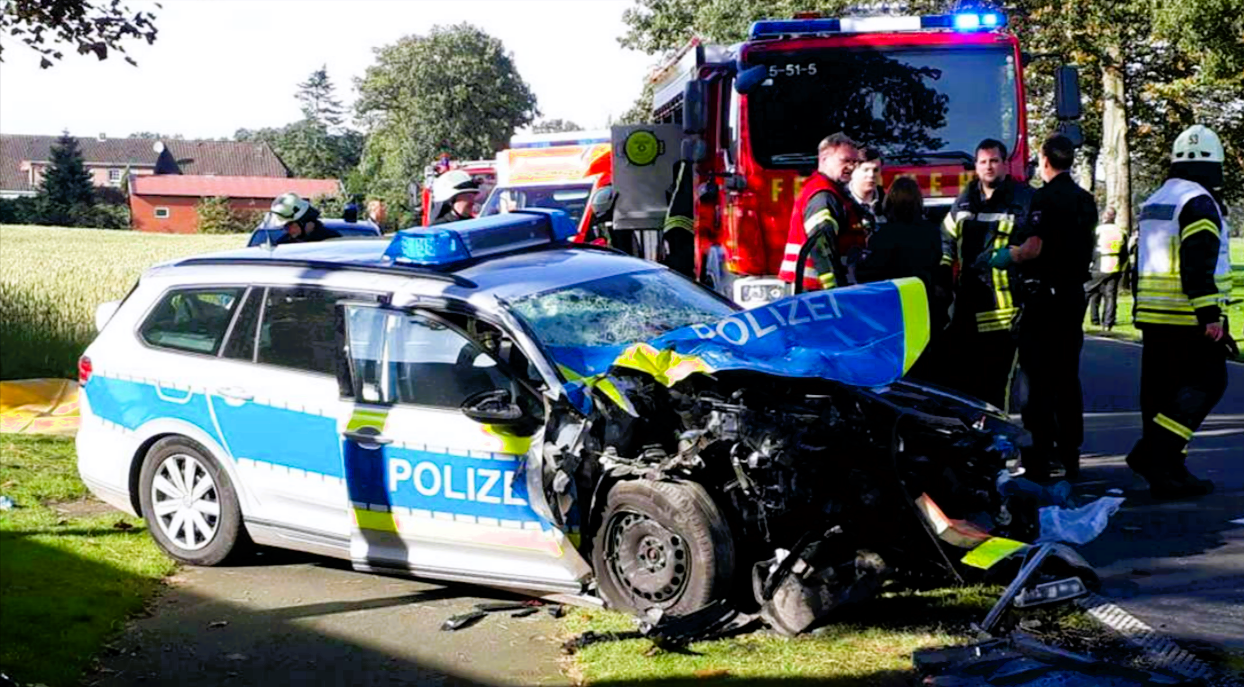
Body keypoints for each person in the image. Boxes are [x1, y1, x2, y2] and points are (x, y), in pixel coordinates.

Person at [1125, 124, 1235, 499]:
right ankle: (1154, 455)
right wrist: (1209, 314)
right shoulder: (1199, 202)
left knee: (1161, 396)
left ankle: (1169, 472)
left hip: (1154, 315)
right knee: (1208, 384)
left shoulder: (1157, 199)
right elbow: (1197, 261)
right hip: (1187, 316)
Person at [989, 134, 1097, 481]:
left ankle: (1039, 455)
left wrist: (1010, 255)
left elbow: (1034, 247)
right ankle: (1070, 452)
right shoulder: (1085, 199)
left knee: (1036, 378)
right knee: (1067, 376)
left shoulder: (1044, 198)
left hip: (1044, 297)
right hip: (1072, 295)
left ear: (1045, 160)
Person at [939, 139, 1033, 410]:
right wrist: (944, 275)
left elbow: (1035, 244)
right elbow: (946, 238)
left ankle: (996, 431)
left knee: (997, 382)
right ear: (976, 166)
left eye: (994, 161)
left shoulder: (1023, 198)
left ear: (1005, 164)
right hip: (968, 304)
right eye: (983, 162)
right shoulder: (965, 199)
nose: (988, 167)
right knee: (965, 380)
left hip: (1005, 308)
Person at [856, 176, 946, 333]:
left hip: (893, 310)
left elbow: (869, 274)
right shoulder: (932, 232)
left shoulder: (883, 236)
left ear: (890, 202)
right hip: (926, 305)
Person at [779, 133, 865, 291]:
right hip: (815, 290)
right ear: (824, 159)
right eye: (845, 160)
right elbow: (821, 245)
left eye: (854, 162)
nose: (851, 167)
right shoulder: (823, 195)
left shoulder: (829, 190)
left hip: (813, 288)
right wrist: (834, 288)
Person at [1086, 207, 1126, 330]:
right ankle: (1108, 323)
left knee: (1087, 291)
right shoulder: (1120, 231)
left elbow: (1090, 246)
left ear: (1104, 217)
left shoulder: (1098, 230)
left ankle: (1078, 319)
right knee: (1110, 296)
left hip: (1100, 264)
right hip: (1115, 265)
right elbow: (1125, 253)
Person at [268, 192, 340, 245]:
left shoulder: (332, 241)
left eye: (288, 225)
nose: (286, 230)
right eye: (284, 227)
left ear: (303, 220)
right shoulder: (283, 245)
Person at [849, 147, 885, 227]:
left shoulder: (888, 203)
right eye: (865, 170)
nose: (871, 175)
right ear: (853, 171)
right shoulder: (840, 201)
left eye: (876, 170)